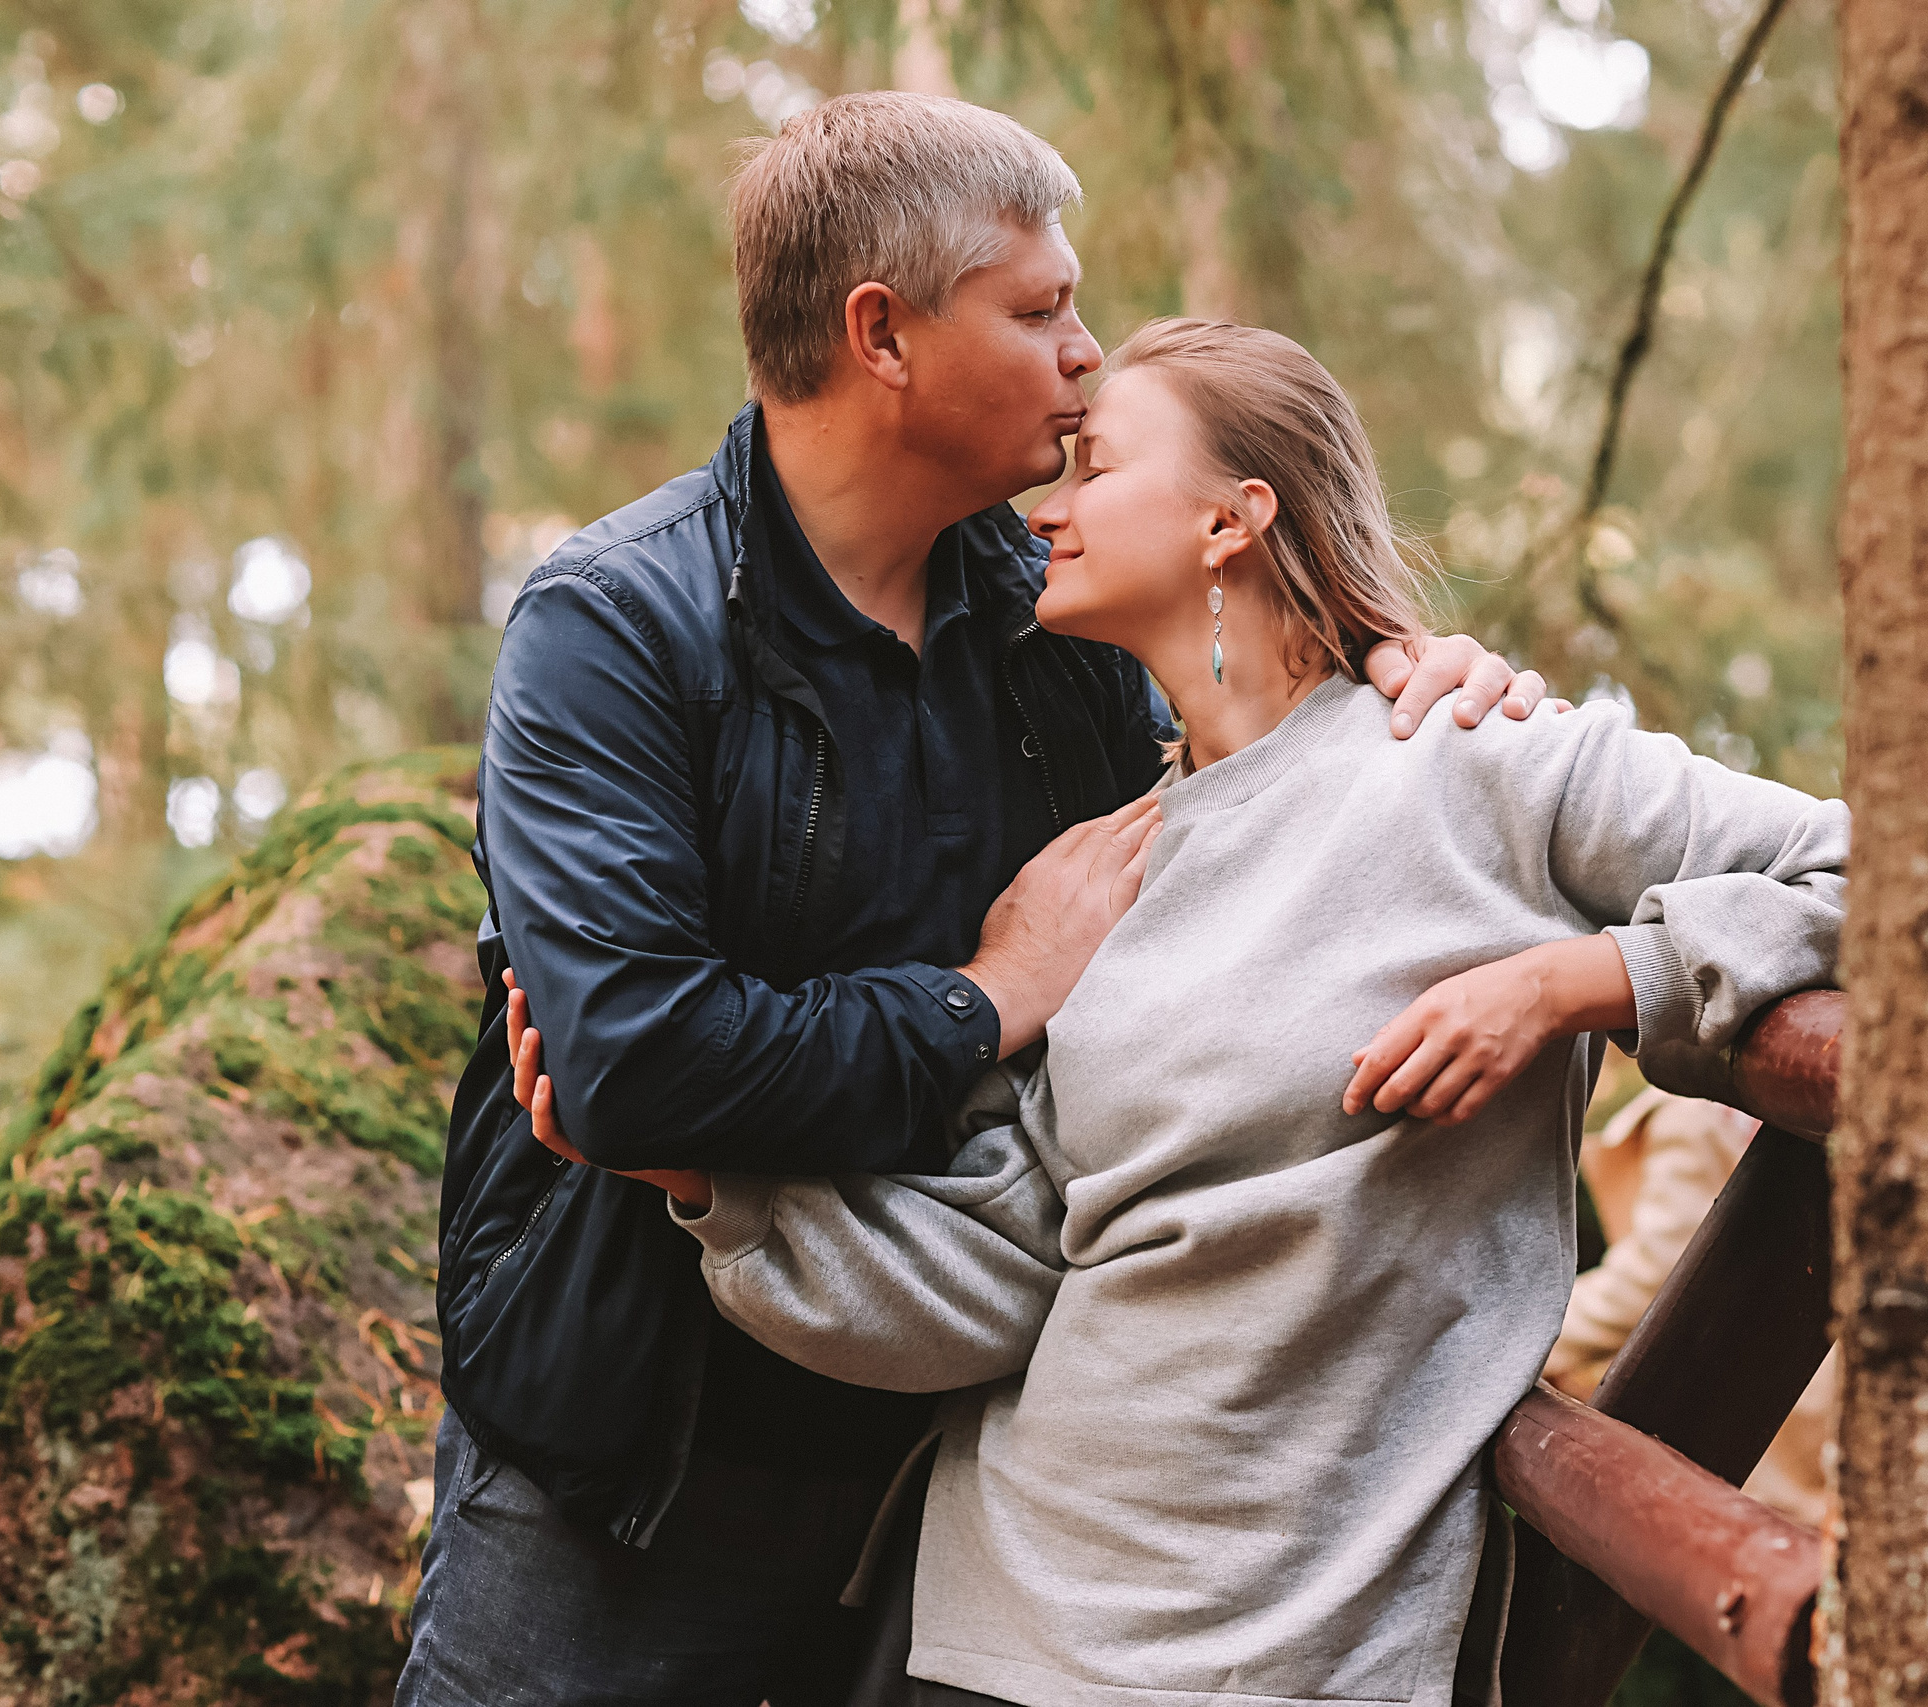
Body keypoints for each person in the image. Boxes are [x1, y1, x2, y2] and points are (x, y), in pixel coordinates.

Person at [514, 318, 1850, 1707]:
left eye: (1093, 464)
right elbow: (1007, 1261)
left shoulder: (1473, 756)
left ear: (1232, 517)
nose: (1048, 505)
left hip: (1298, 1648)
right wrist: (706, 1185)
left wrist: (1579, 982)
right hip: (993, 1622)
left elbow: (1878, 870)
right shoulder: (1119, 855)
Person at [405, 95, 1545, 1707]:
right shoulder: (617, 627)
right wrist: (989, 993)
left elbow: (1247, 791)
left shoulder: (1057, 619)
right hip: (633, 1472)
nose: (1087, 352)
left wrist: (1391, 668)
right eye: (1038, 309)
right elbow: (630, 1067)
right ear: (882, 333)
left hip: (954, 1458)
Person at [1542, 1084, 1833, 1526]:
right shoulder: (1751, 1100)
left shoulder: (1691, 1115)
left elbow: (1655, 1275)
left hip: (1757, 1383)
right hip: (1800, 1370)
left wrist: (1535, 1342)